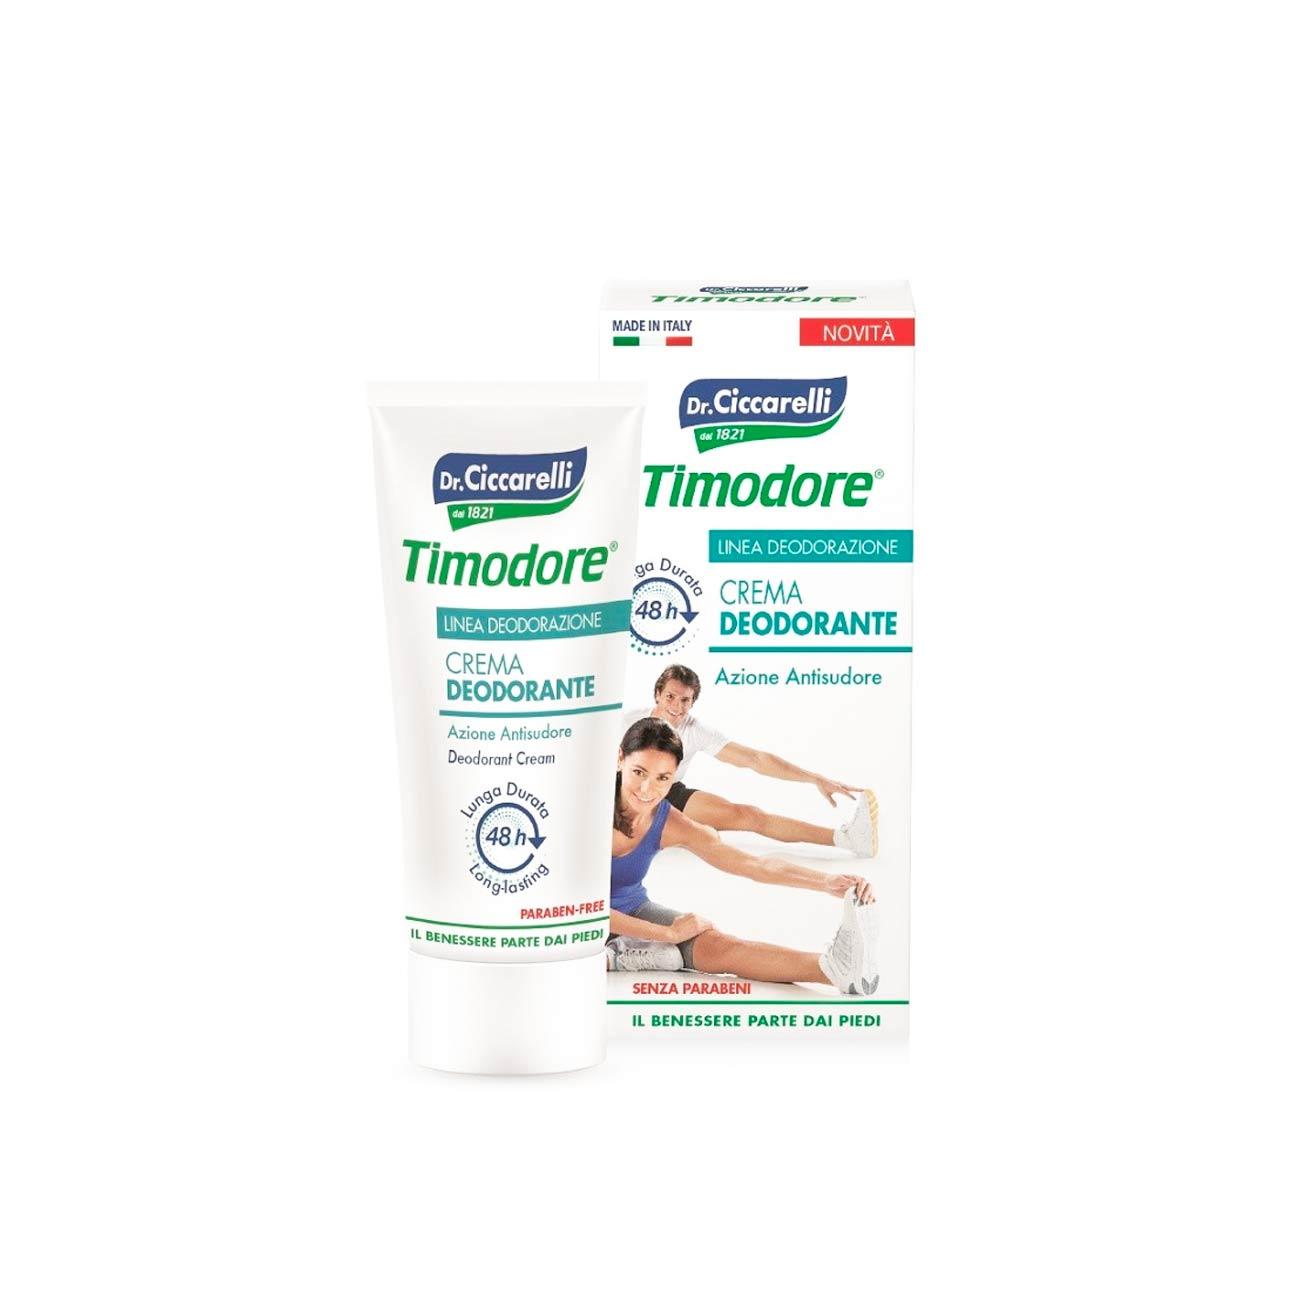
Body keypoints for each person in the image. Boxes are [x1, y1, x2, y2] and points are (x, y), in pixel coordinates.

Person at [607, 716, 880, 992]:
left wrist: (827, 882)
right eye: (639, 772)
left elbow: (753, 865)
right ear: (620, 759)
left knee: (716, 945)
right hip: (584, 923)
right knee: (671, 939)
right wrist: (667, 933)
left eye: (662, 778)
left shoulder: (669, 822)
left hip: (634, 909)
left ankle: (834, 969)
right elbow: (582, 910)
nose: (647, 789)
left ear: (675, 775)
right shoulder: (589, 810)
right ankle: (627, 952)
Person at [621, 664, 878, 856]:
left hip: (667, 792)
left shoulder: (695, 730)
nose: (677, 707)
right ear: (658, 694)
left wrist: (815, 779)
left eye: (685, 700)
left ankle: (848, 839)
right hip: (625, 790)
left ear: (693, 702)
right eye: (670, 697)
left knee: (749, 816)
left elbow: (755, 759)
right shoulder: (629, 721)